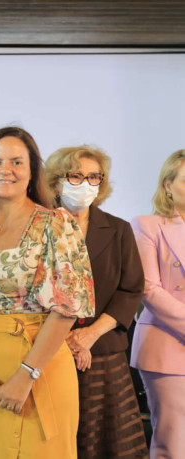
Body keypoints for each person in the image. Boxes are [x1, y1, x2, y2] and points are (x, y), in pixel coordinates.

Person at [0, 126, 95, 458]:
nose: (5, 171)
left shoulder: (57, 224)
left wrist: (26, 375)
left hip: (40, 368)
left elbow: (68, 307)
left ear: (31, 171)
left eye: (16, 162)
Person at [44, 145, 148, 458]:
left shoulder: (118, 230)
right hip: (47, 352)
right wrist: (65, 339)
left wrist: (89, 335)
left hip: (103, 353)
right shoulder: (38, 227)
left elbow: (130, 290)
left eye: (93, 177)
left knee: (109, 445)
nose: (85, 183)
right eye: (75, 176)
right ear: (57, 180)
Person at [130, 149, 185, 459]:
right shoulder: (147, 225)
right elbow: (149, 289)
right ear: (167, 184)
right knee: (174, 444)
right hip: (168, 347)